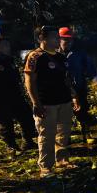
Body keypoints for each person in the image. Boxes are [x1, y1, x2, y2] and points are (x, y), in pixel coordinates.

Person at [24, 26, 80, 177]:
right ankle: (46, 167)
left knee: (63, 133)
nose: (58, 39)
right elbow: (29, 81)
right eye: (55, 37)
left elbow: (66, 80)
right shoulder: (35, 56)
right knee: (46, 135)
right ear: (42, 39)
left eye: (58, 37)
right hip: (46, 103)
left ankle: (62, 160)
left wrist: (73, 96)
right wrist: (36, 102)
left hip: (64, 101)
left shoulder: (61, 57)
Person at [0, 36, 37, 152]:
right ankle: (11, 146)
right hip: (0, 98)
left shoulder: (9, 60)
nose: (8, 48)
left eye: (8, 45)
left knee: (26, 117)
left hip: (15, 95)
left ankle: (28, 141)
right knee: (5, 123)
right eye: (5, 46)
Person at [58, 27, 97, 142]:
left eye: (70, 40)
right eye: (65, 39)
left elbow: (91, 68)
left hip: (79, 88)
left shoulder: (79, 54)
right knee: (62, 116)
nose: (68, 42)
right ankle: (64, 138)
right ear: (59, 39)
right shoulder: (53, 54)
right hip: (61, 91)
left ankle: (86, 134)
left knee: (82, 112)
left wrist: (95, 79)